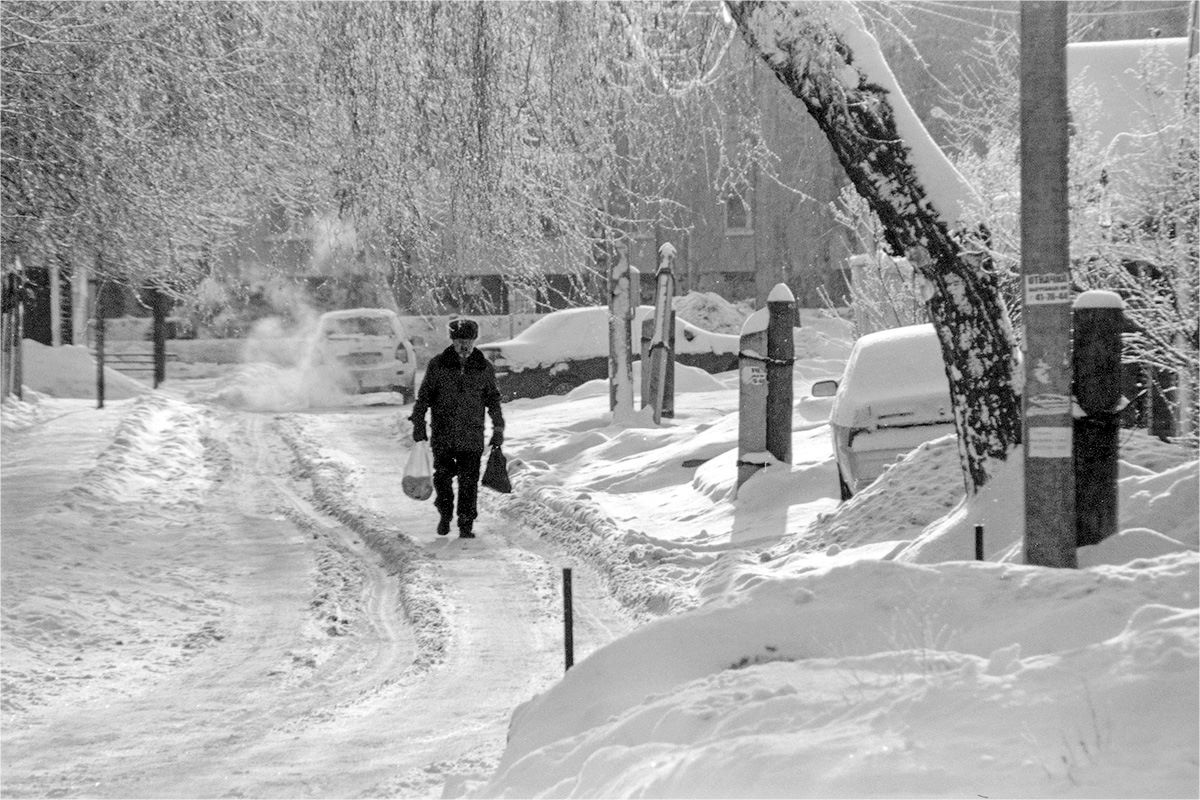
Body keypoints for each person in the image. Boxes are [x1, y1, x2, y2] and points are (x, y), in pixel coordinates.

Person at [409, 318, 505, 538]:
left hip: (471, 435)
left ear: (474, 341)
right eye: (460, 340)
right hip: (444, 434)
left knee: (468, 481)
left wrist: (498, 427)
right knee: (442, 478)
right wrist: (418, 422)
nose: (465, 345)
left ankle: (465, 522)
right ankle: (445, 513)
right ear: (452, 341)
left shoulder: (483, 368)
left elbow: (493, 400)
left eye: (469, 341)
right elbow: (424, 397)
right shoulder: (438, 365)